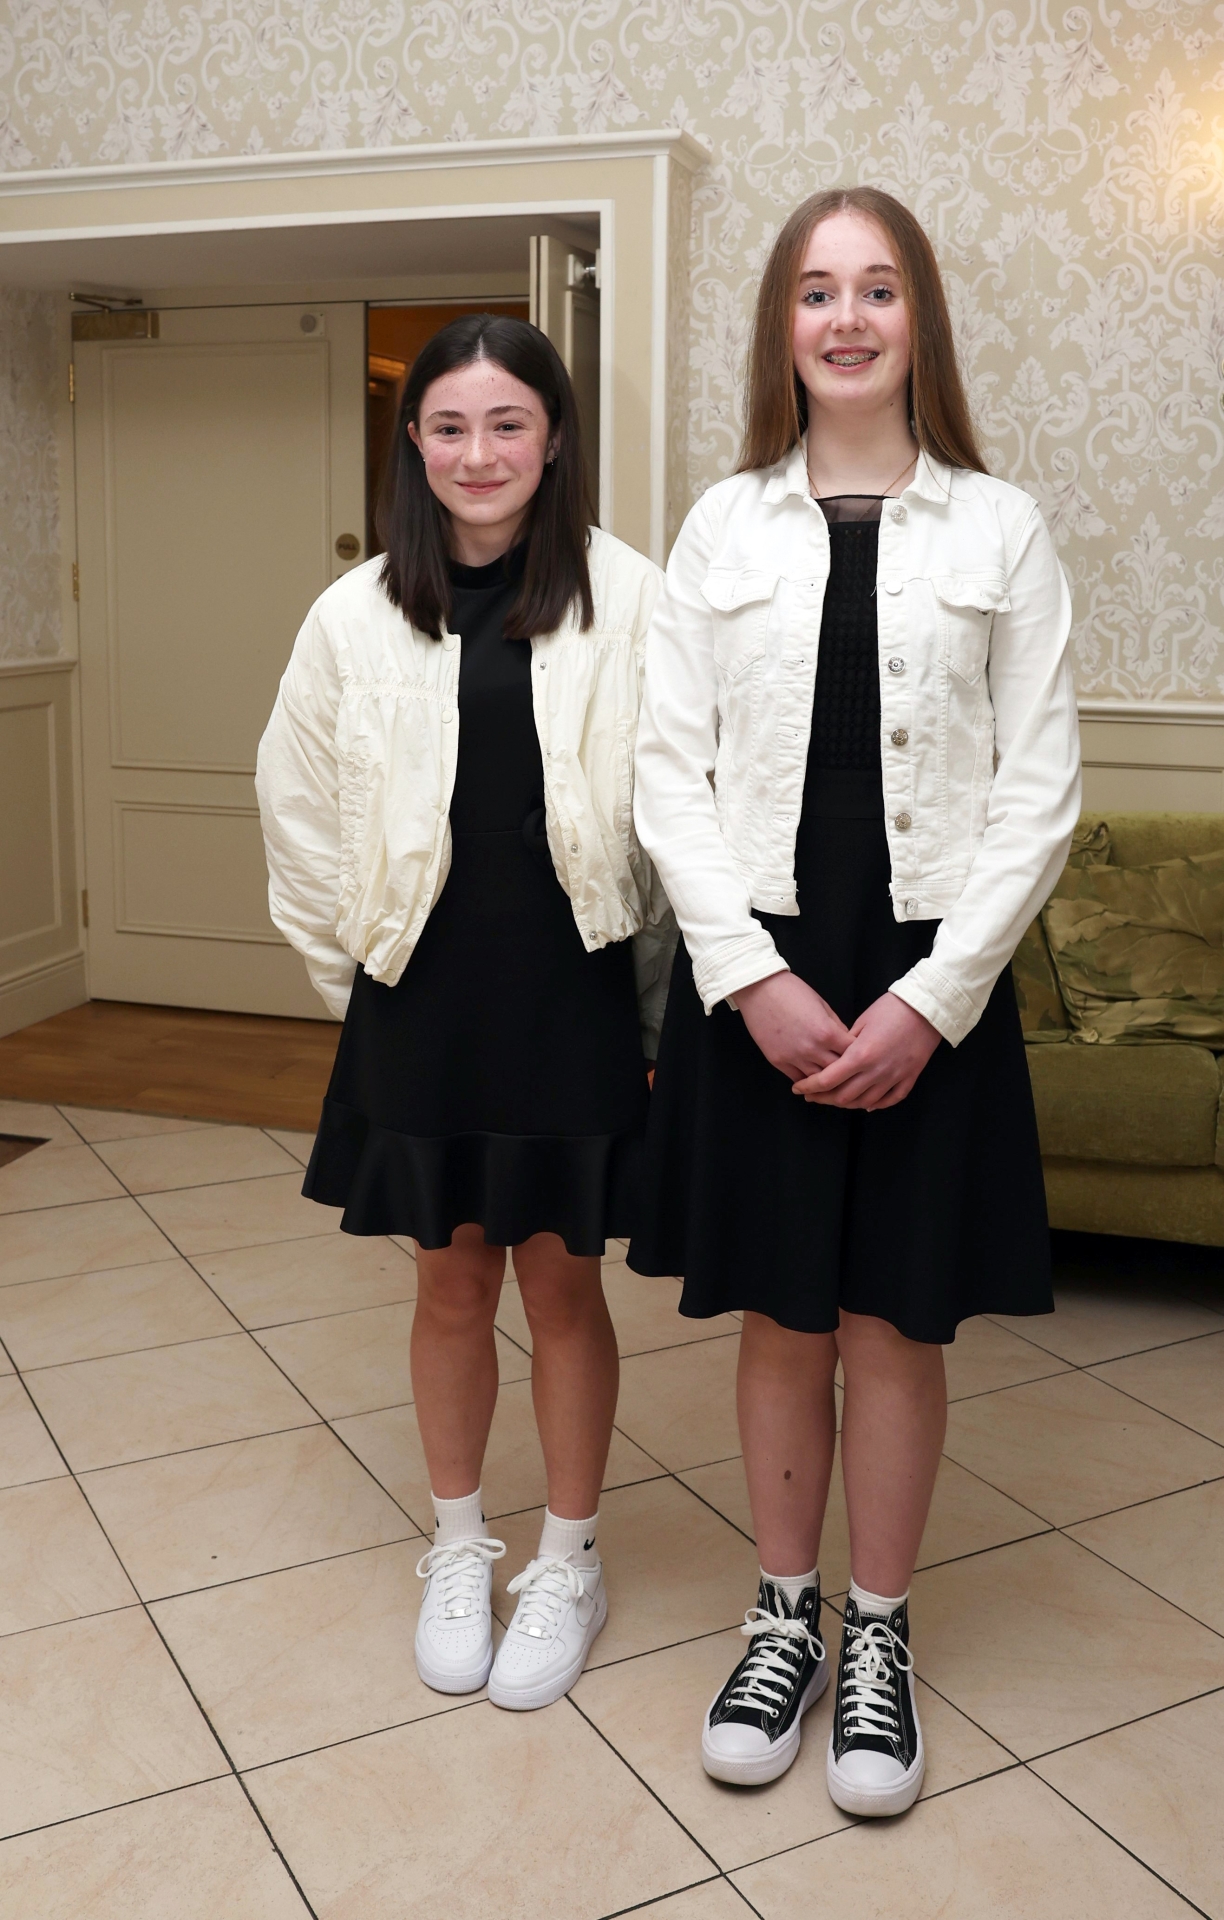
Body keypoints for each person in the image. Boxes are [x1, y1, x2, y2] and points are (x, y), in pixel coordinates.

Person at [628, 187, 1079, 1814]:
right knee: (783, 1313)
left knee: (895, 1316)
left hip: (925, 986)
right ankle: (784, 1620)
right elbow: (668, 776)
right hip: (763, 979)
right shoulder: (720, 528)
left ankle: (877, 1631)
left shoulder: (999, 529)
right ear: (783, 326)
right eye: (817, 291)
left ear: (919, 320)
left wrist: (933, 1003)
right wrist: (747, 983)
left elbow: (1040, 790)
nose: (846, 318)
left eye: (877, 288)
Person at [256, 314, 672, 1712]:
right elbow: (296, 811)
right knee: (447, 1281)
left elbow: (684, 815)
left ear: (554, 440)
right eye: (449, 426)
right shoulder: (354, 613)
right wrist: (357, 988)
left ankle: (570, 1559)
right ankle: (455, 1545)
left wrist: (661, 1022)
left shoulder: (630, 597)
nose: (478, 452)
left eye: (507, 424)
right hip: (421, 999)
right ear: (414, 444)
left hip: (573, 992)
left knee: (561, 1283)